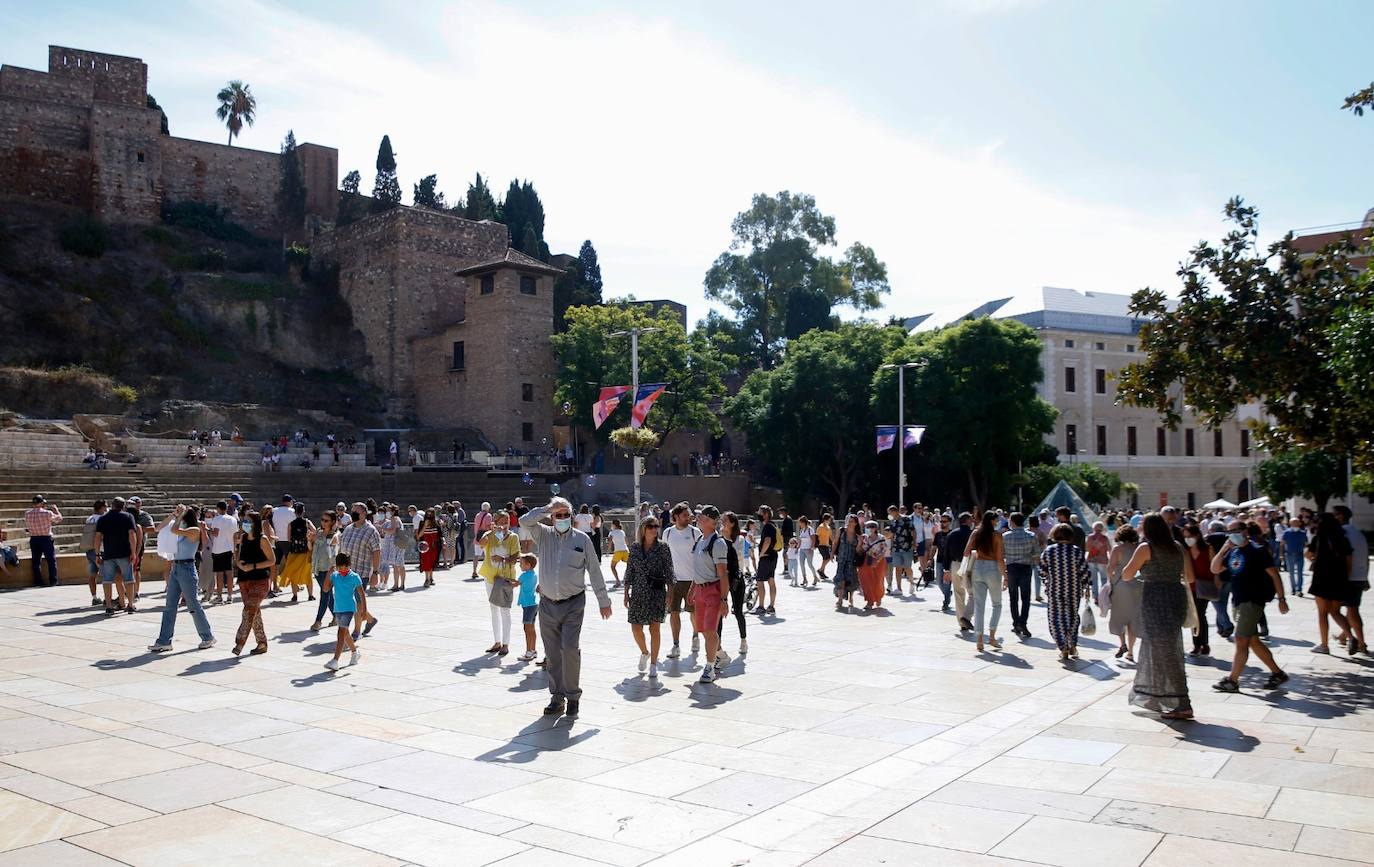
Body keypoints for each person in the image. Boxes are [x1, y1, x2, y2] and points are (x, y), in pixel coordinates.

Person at [520, 497, 612, 720]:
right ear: (552, 518)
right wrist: (546, 508)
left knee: (569, 648)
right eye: (557, 515)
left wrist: (604, 600)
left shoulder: (582, 539)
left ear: (571, 517)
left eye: (565, 515)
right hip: (548, 604)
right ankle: (557, 697)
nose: (561, 519)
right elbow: (524, 521)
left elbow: (594, 570)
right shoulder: (543, 534)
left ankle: (573, 696)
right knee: (552, 653)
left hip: (573, 603)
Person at [1120, 513, 1195, 719]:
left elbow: (1127, 574)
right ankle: (1156, 696)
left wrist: (1146, 573)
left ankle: (1183, 703)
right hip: (1176, 596)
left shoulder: (1146, 548)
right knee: (1162, 647)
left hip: (1156, 598)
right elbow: (1190, 576)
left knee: (1164, 651)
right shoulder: (1178, 547)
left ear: (1148, 529)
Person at [1212, 519, 1290, 694]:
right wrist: (1224, 548)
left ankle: (1232, 680)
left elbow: (1275, 575)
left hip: (1252, 601)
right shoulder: (1232, 552)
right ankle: (1278, 673)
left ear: (1244, 531)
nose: (1232, 535)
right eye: (1229, 532)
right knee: (1252, 640)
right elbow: (1215, 569)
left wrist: (1282, 599)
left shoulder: (1258, 551)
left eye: (1235, 531)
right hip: (1238, 601)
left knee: (1241, 640)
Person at [148, 505, 216, 652]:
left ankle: (207, 636)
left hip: (187, 568)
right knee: (170, 606)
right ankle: (164, 641)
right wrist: (174, 514)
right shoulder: (180, 528)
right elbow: (159, 528)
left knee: (193, 605)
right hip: (176, 567)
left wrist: (179, 516)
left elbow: (174, 530)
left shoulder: (194, 530)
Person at [624, 515, 673, 680]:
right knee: (636, 627)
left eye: (656, 526)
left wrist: (671, 591)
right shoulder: (635, 547)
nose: (654, 529)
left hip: (656, 592)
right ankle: (645, 652)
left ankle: (653, 664)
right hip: (638, 591)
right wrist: (626, 592)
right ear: (643, 529)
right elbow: (630, 570)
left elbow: (669, 570)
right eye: (651, 526)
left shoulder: (663, 548)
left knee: (655, 628)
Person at [689, 505, 732, 683]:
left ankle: (709, 667)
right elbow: (697, 569)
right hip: (700, 589)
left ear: (710, 521)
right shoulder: (700, 540)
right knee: (704, 631)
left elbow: (723, 573)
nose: (697, 519)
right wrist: (693, 589)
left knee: (709, 629)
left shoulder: (718, 543)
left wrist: (723, 599)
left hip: (713, 591)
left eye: (701, 517)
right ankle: (721, 655)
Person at [1041, 522, 1091, 659]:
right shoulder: (1076, 551)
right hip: (1073, 590)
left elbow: (1042, 571)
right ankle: (1072, 644)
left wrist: (1047, 583)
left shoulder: (1049, 551)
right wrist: (1086, 586)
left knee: (1055, 618)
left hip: (1055, 590)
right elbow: (1085, 572)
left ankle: (1063, 646)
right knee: (1072, 617)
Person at [1306, 512, 1353, 655]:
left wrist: (1314, 559)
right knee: (1335, 611)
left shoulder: (1319, 539)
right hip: (1339, 579)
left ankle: (1324, 645)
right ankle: (1350, 637)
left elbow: (1308, 554)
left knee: (1322, 613)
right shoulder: (1343, 539)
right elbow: (1349, 561)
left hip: (1321, 579)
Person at [232, 510, 276, 657]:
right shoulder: (243, 537)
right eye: (244, 520)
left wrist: (253, 566)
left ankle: (240, 642)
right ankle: (262, 643)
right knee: (254, 612)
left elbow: (272, 560)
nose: (245, 523)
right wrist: (239, 563)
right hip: (244, 580)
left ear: (255, 523)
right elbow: (238, 557)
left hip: (260, 580)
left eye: (248, 521)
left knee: (248, 610)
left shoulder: (262, 539)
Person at [478, 511, 522, 656]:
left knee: (505, 610)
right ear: (495, 522)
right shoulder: (491, 535)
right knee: (493, 608)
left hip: (505, 578)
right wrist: (491, 532)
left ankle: (506, 643)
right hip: (490, 576)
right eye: (501, 521)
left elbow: (516, 556)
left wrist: (503, 559)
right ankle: (497, 641)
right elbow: (481, 543)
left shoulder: (513, 537)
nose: (504, 524)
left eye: (506, 521)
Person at [662, 503, 702, 659]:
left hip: (693, 581)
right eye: (685, 515)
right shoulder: (667, 533)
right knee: (674, 612)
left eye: (689, 514)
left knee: (693, 612)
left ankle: (695, 636)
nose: (689, 517)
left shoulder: (695, 532)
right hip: (673, 581)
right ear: (676, 517)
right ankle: (676, 644)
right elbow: (664, 555)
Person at [963, 512, 1007, 653]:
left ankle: (979, 640)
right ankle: (992, 636)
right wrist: (1005, 575)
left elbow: (966, 551)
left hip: (978, 567)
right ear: (994, 521)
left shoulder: (976, 533)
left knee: (979, 606)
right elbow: (1000, 558)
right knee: (997, 604)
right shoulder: (997, 536)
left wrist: (976, 553)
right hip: (993, 568)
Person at [337, 503, 381, 639]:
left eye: (357, 511)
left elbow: (376, 552)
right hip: (345, 572)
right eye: (353, 511)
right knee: (351, 601)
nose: (354, 513)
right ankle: (370, 619)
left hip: (361, 572)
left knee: (356, 602)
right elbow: (342, 548)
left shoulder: (371, 531)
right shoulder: (348, 528)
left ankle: (356, 631)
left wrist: (375, 573)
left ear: (364, 514)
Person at [1334, 506, 1368, 655]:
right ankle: (1344, 636)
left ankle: (1360, 642)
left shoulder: (1343, 533)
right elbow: (1366, 557)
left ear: (1341, 516)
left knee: (1347, 611)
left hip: (1348, 577)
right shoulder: (1358, 533)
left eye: (1335, 515)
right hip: (1359, 576)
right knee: (1351, 609)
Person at [93, 497, 136, 615]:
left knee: (107, 580)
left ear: (112, 505)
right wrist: (133, 552)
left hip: (108, 553)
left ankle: (109, 606)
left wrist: (97, 554)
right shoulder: (128, 517)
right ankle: (131, 605)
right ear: (123, 506)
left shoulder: (103, 518)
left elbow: (97, 536)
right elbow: (132, 534)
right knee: (129, 579)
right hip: (124, 553)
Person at [1108, 525, 1143, 662]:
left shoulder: (1117, 549)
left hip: (1120, 585)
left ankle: (1122, 644)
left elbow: (1110, 568)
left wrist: (1110, 583)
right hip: (1137, 585)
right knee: (1133, 618)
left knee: (1119, 616)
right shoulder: (1138, 549)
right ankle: (1131, 652)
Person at [323, 553, 364, 670]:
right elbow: (326, 589)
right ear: (336, 566)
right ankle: (355, 652)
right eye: (340, 567)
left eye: (346, 567)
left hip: (349, 608)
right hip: (338, 608)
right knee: (345, 633)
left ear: (350, 565)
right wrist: (328, 575)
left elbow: (361, 594)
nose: (343, 570)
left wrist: (364, 610)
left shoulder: (354, 577)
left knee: (341, 632)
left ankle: (335, 660)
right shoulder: (335, 576)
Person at [1002, 512, 1040, 638]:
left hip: (1011, 568)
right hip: (1025, 568)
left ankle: (1015, 622)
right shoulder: (1031, 535)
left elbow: (1001, 555)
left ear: (1012, 522)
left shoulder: (1005, 536)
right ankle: (1023, 622)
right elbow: (1036, 555)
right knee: (1026, 598)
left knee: (1013, 598)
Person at [1182, 523, 1217, 658]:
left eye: (1189, 536)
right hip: (1190, 587)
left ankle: (1203, 643)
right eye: (1185, 537)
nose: (1187, 539)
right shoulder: (1186, 551)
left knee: (1200, 614)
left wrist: (1217, 580)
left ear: (1197, 535)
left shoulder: (1208, 549)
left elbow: (1214, 566)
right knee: (1194, 614)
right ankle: (1197, 644)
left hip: (1204, 586)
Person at [718, 511, 749, 655]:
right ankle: (718, 644)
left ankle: (743, 640)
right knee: (719, 612)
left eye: (725, 520)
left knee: (738, 611)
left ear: (732, 523)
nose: (722, 522)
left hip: (736, 578)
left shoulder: (740, 540)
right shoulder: (718, 538)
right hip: (721, 577)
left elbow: (735, 555)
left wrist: (726, 537)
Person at [309, 511, 340, 632]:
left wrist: (332, 569)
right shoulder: (319, 533)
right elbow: (312, 549)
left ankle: (318, 621)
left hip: (329, 569)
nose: (323, 522)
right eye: (322, 519)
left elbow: (334, 554)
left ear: (332, 522)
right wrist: (310, 540)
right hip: (317, 568)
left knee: (325, 594)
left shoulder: (335, 536)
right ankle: (337, 616)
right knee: (328, 595)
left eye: (326, 520)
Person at [278, 503, 315, 603]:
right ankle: (310, 595)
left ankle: (295, 596)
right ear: (303, 511)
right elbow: (315, 532)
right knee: (307, 574)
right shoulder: (307, 522)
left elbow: (289, 538)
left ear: (295, 512)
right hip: (305, 551)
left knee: (293, 574)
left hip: (294, 551)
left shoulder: (291, 524)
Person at [24, 495, 62, 587]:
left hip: (34, 539)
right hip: (46, 539)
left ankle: (38, 581)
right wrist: (56, 510)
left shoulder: (27, 514)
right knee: (51, 560)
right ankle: (53, 581)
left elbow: (28, 527)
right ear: (41, 503)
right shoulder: (47, 513)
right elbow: (59, 519)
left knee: (36, 561)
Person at [207, 501, 239, 605]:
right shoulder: (233, 519)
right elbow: (235, 536)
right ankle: (229, 596)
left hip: (218, 549)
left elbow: (215, 533)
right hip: (229, 548)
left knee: (219, 574)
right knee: (229, 573)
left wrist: (207, 530)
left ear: (218, 508)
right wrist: (234, 550)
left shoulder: (216, 519)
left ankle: (219, 596)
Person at [832, 514, 862, 612]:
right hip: (841, 559)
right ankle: (840, 599)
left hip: (851, 561)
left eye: (852, 521)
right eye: (849, 520)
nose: (850, 523)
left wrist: (860, 543)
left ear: (856, 523)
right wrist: (832, 553)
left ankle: (850, 598)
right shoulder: (841, 531)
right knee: (841, 579)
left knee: (851, 580)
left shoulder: (857, 535)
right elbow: (835, 542)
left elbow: (858, 550)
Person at [754, 505, 779, 615]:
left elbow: (767, 541)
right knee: (771, 580)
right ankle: (771, 606)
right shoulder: (774, 525)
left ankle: (761, 606)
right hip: (773, 556)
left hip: (766, 557)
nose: (758, 515)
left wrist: (761, 553)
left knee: (760, 581)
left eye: (760, 513)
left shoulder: (768, 526)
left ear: (766, 514)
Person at [857, 520, 888, 610]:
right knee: (867, 581)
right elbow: (862, 549)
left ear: (876, 528)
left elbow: (884, 549)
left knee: (878, 580)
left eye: (871, 527)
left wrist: (877, 559)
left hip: (880, 561)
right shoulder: (865, 538)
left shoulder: (881, 537)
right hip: (867, 560)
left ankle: (878, 596)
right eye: (867, 527)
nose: (869, 529)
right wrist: (860, 541)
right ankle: (870, 601)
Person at [81, 500, 106, 606]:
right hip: (99, 549)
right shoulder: (102, 519)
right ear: (101, 508)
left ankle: (94, 597)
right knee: (106, 575)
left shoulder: (89, 518)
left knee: (92, 575)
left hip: (89, 549)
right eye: (105, 507)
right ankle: (107, 598)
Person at [516, 554, 540, 663]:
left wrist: (503, 579)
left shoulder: (524, 575)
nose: (520, 565)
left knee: (527, 629)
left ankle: (529, 651)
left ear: (528, 565)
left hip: (527, 605)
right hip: (534, 604)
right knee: (532, 628)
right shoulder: (534, 574)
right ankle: (533, 650)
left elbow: (515, 583)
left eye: (521, 563)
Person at [889, 507, 915, 595]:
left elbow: (913, 531)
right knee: (897, 568)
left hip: (907, 547)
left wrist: (914, 542)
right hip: (896, 547)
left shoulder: (906, 519)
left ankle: (911, 582)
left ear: (895, 511)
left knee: (907, 567)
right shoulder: (893, 522)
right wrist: (890, 546)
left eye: (890, 513)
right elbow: (892, 535)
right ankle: (899, 588)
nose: (890, 515)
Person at [1281, 518, 1309, 597]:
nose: (1295, 524)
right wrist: (1281, 555)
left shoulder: (1303, 533)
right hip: (1289, 554)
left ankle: (1299, 589)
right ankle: (1293, 589)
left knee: (1300, 572)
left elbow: (1306, 544)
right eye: (1293, 523)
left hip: (1299, 554)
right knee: (1291, 573)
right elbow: (1282, 544)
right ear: (1290, 524)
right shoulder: (1287, 532)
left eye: (1297, 522)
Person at [470, 502, 494, 580]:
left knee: (476, 555)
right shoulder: (488, 516)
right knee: (487, 556)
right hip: (485, 538)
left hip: (477, 537)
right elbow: (488, 527)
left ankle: (474, 571)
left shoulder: (477, 515)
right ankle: (487, 572)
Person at [1086, 522, 1111, 595]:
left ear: (1093, 528)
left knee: (1093, 579)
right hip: (1103, 560)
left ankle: (1095, 596)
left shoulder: (1090, 537)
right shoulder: (1105, 538)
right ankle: (1103, 595)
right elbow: (1110, 549)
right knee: (1104, 579)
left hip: (1091, 559)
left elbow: (1087, 549)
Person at [418, 510, 441, 586]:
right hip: (425, 546)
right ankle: (427, 579)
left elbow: (440, 535)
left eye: (431, 513)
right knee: (426, 562)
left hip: (434, 546)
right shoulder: (422, 523)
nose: (429, 515)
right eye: (428, 513)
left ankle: (431, 578)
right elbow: (419, 536)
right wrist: (425, 526)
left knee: (432, 562)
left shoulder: (436, 523)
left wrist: (443, 542)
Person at [796, 516, 817, 587]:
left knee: (810, 564)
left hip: (808, 549)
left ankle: (815, 577)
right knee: (801, 564)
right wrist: (797, 548)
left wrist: (811, 548)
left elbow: (813, 539)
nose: (799, 524)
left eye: (800, 523)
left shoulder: (810, 530)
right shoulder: (802, 530)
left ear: (803, 522)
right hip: (802, 549)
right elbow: (800, 541)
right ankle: (804, 578)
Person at [608, 519, 629, 588]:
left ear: (613, 525)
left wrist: (608, 551)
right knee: (630, 565)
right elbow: (626, 542)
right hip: (625, 550)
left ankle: (618, 581)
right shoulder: (622, 532)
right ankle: (628, 579)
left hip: (618, 551)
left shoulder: (612, 532)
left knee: (613, 566)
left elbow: (610, 542)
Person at [816, 513, 834, 580]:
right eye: (829, 520)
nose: (830, 521)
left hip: (826, 545)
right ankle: (820, 570)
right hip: (821, 545)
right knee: (828, 557)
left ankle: (822, 572)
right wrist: (815, 544)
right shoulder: (820, 527)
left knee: (825, 558)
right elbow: (816, 536)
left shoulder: (829, 527)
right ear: (826, 519)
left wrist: (834, 543)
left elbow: (830, 537)